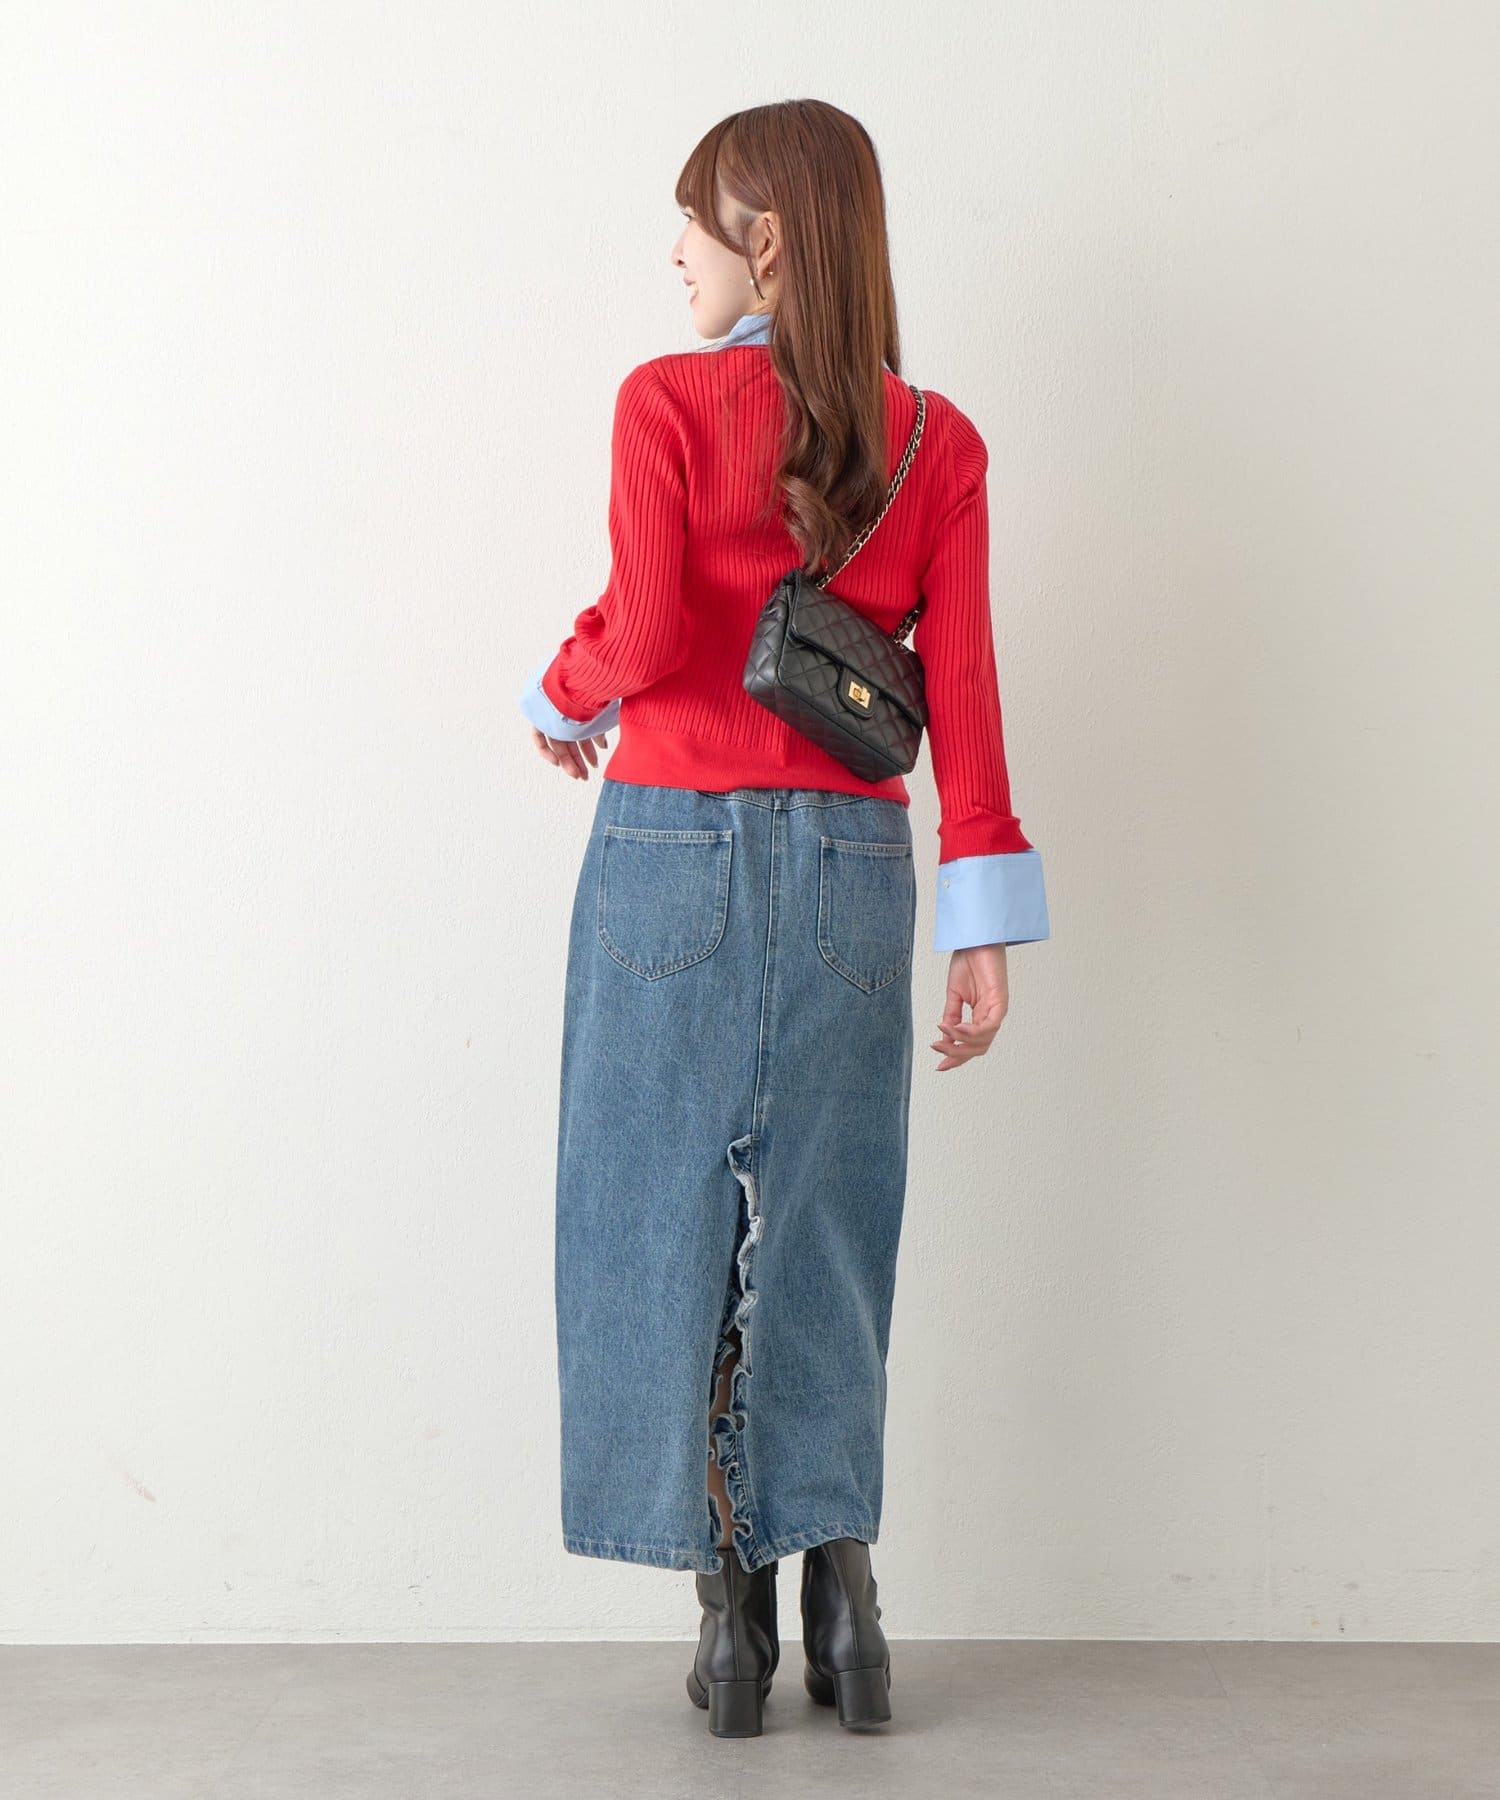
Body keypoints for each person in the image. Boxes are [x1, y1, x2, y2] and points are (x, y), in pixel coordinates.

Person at [519, 100, 1050, 1739]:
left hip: (670, 849)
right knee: (827, 1226)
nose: (675, 248)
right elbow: (964, 699)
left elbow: (646, 625)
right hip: (851, 869)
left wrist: (559, 689)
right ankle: (850, 1605)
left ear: (763, 238)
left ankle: (730, 1617)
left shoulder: (665, 402)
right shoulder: (935, 440)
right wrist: (980, 925)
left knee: (655, 1219)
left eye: (696, 217)